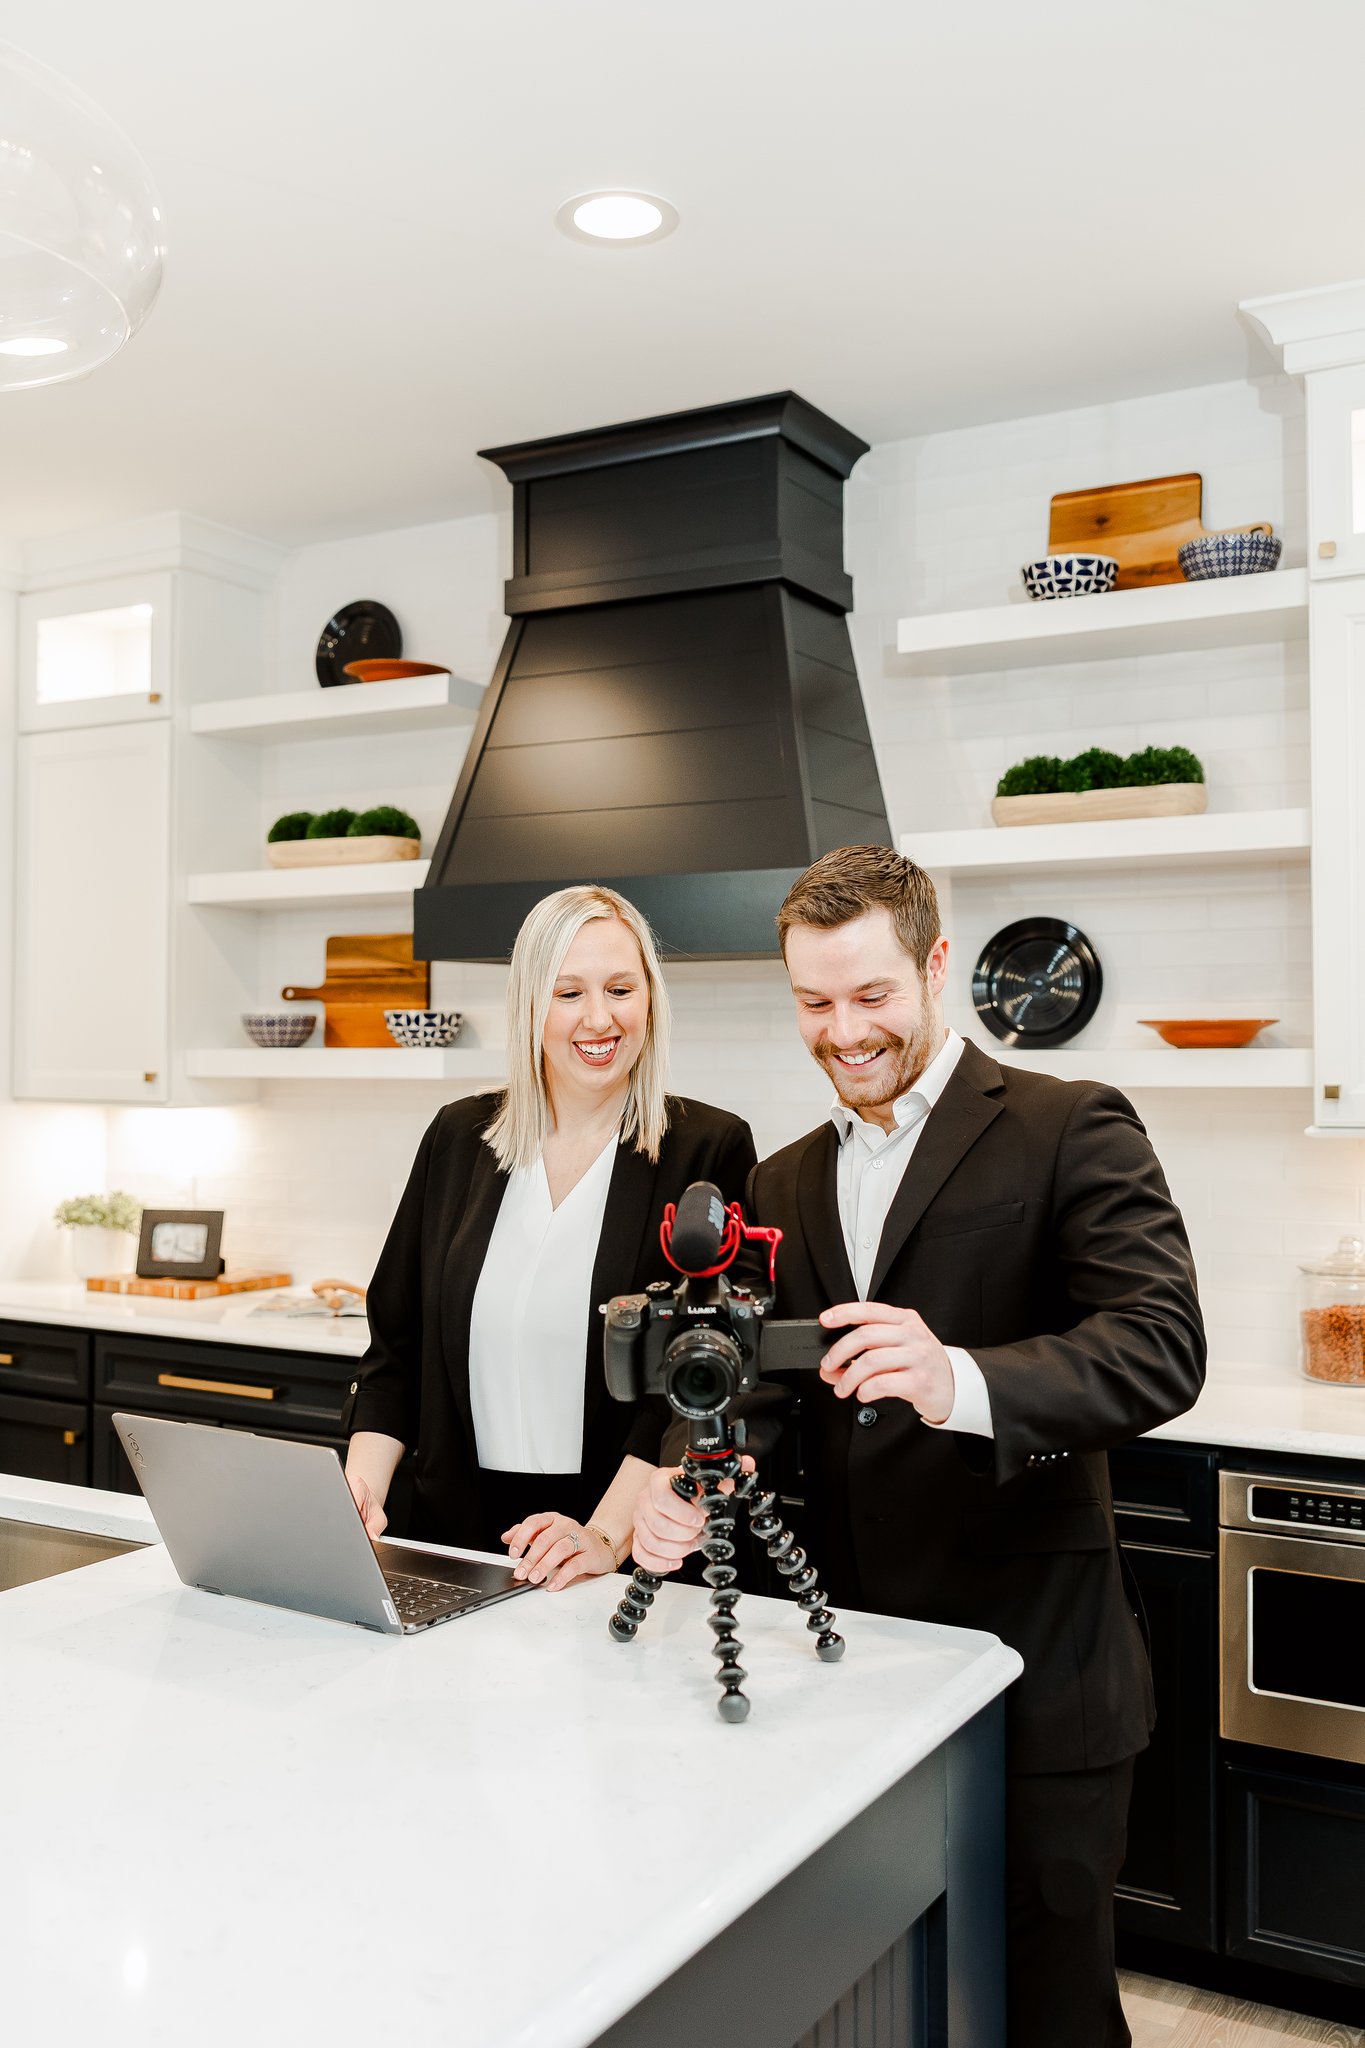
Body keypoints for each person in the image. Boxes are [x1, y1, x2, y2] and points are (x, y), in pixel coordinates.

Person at [630, 844, 1205, 2048]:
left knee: (1048, 2013)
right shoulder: (784, 1174)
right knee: (886, 2002)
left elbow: (1160, 1345)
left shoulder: (1069, 1122)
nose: (844, 1032)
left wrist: (965, 1379)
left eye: (871, 994)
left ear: (937, 965)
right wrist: (703, 1473)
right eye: (814, 1001)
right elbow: (770, 1384)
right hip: (853, 1677)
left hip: (1035, 1677)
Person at [343, 884, 755, 1591]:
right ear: (531, 1005)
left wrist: (605, 1536)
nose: (599, 1018)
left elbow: (695, 1378)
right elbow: (396, 1350)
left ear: (650, 999)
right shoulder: (458, 1137)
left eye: (620, 989)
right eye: (568, 993)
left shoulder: (708, 1149)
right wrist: (359, 1493)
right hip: (450, 1536)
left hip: (612, 1548)